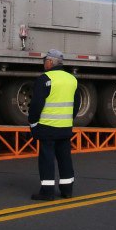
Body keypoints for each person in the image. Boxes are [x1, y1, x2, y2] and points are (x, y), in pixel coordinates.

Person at [28, 49, 78, 201]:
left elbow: (36, 104)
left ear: (50, 62)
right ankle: (67, 190)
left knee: (47, 159)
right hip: (65, 127)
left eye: (45, 61)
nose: (44, 63)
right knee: (65, 158)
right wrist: (69, 120)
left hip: (47, 127)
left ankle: (47, 192)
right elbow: (76, 105)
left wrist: (33, 123)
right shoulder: (72, 79)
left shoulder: (45, 79)